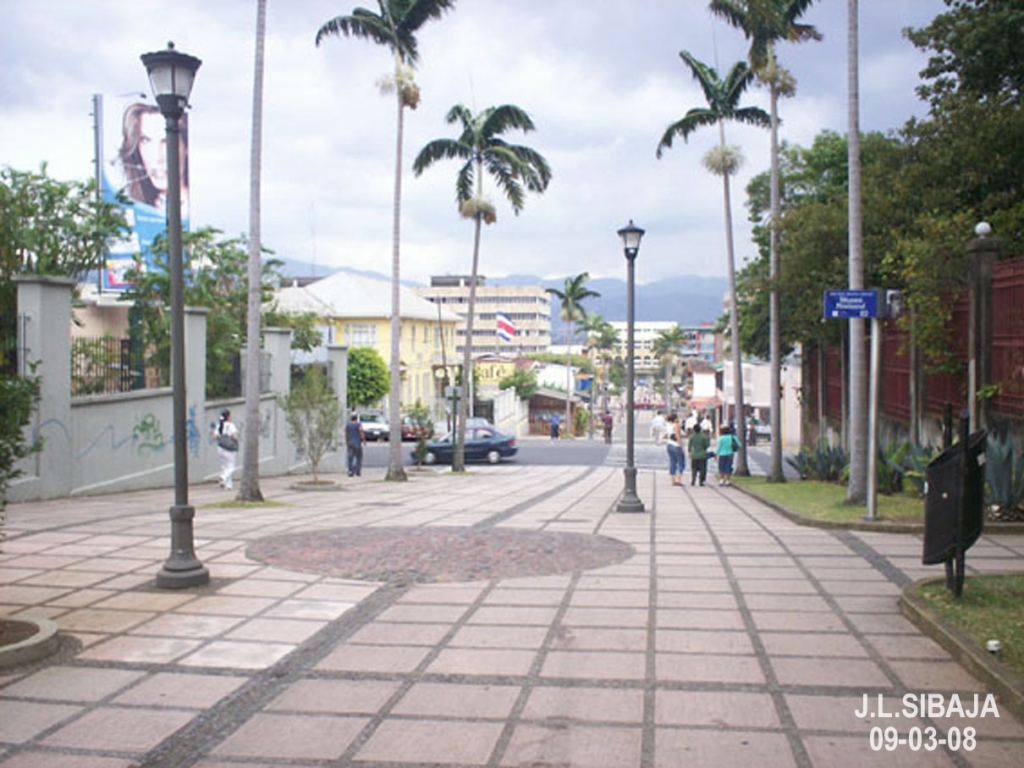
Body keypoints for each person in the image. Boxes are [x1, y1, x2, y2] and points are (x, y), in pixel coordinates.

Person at [117, 102, 190, 214]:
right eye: (146, 141)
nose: (157, 157)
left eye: (166, 142)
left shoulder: (195, 210)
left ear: (185, 147)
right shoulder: (130, 210)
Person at [212, 408, 239, 490]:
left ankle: (228, 485)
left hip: (220, 447)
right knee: (231, 466)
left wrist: (221, 438)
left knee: (224, 466)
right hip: (229, 448)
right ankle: (223, 477)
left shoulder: (219, 425)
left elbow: (214, 436)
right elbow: (234, 436)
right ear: (228, 417)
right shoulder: (231, 425)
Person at [688, 423, 711, 487]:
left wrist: (689, 453)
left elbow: (689, 446)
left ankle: (693, 480)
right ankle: (701, 481)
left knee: (694, 468)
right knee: (702, 469)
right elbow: (707, 445)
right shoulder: (704, 436)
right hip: (702, 455)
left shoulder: (692, 436)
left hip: (694, 455)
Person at [665, 413, 685, 486]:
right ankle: (678, 479)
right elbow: (677, 435)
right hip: (676, 445)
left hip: (669, 444)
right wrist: (681, 446)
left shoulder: (668, 425)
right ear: (675, 419)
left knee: (672, 462)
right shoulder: (676, 426)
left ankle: (673, 479)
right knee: (681, 462)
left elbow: (667, 435)